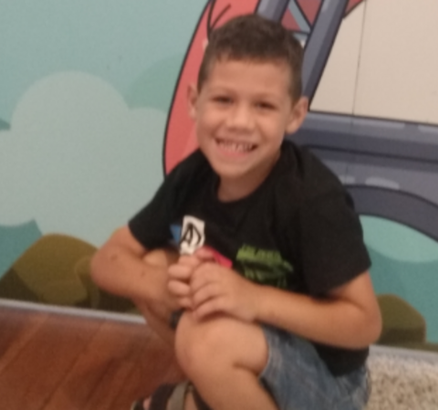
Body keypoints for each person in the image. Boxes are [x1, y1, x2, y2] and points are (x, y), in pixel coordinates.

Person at [91, 13, 382, 410]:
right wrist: (167, 286)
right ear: (194, 102)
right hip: (253, 340)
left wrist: (253, 299)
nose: (240, 122)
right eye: (224, 100)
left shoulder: (312, 199)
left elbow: (364, 324)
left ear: (295, 115)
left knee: (206, 339)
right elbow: (107, 261)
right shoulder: (192, 176)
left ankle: (208, 390)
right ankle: (217, 391)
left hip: (329, 382)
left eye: (263, 105)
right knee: (160, 264)